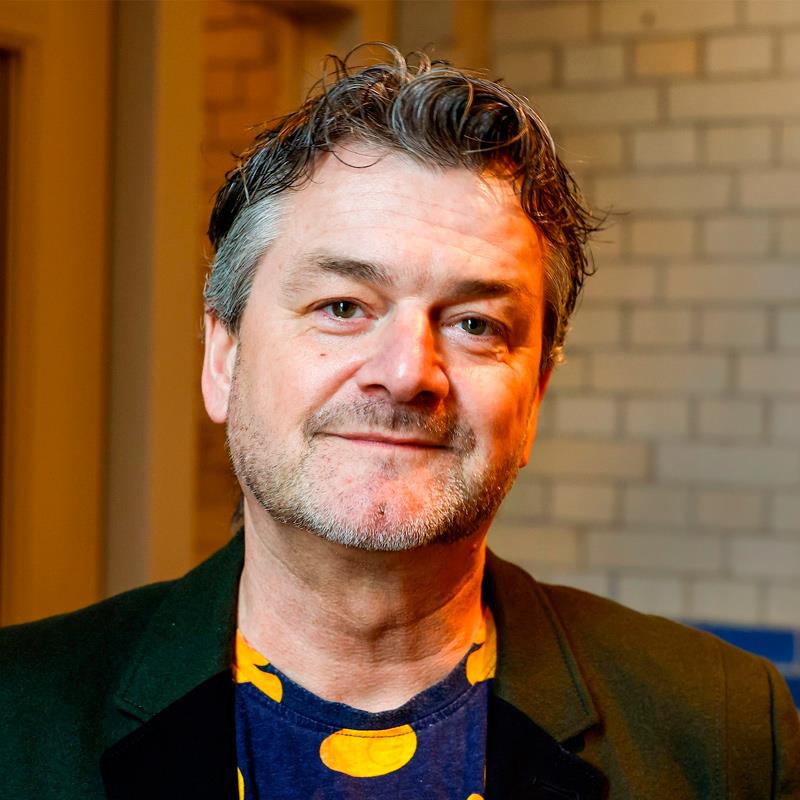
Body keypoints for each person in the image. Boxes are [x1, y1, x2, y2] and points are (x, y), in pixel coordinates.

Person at [1, 46, 798, 800]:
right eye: (343, 306)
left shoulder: (724, 728)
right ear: (224, 356)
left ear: (535, 397)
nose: (409, 371)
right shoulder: (16, 714)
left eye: (476, 325)